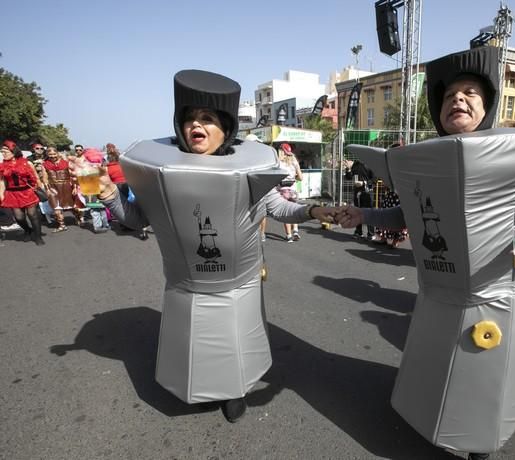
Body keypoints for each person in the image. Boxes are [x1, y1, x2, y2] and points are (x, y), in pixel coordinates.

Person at [337, 47, 515, 459]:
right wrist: (362, 214)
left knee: (484, 378)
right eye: (448, 96)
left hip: (497, 295)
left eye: (469, 94)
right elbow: (403, 216)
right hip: (438, 292)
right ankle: (421, 421)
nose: (457, 100)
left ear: (487, 107)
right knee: (435, 366)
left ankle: (480, 443)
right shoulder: (423, 160)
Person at [77, 69, 335, 423]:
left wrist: (314, 210)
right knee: (193, 344)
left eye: (207, 118)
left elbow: (278, 207)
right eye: (189, 119)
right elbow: (136, 219)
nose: (195, 125)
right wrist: (107, 193)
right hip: (188, 286)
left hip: (237, 284)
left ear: (225, 129)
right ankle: (197, 389)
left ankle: (234, 391)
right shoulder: (161, 171)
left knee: (235, 344)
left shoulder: (250, 169)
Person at [0, 140, 45, 245]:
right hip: (13, 194)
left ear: (13, 151)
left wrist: (39, 188)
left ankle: (38, 237)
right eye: (2, 152)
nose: (3, 154)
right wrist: (1, 194)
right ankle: (28, 230)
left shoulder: (27, 162)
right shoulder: (2, 166)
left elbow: (35, 177)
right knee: (19, 217)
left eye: (5, 151)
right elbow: (2, 182)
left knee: (32, 214)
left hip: (27, 191)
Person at [42, 146, 76, 232]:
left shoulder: (66, 162)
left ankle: (79, 217)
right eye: (50, 154)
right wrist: (46, 186)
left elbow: (73, 175)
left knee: (72, 207)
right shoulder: (44, 164)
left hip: (66, 186)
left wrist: (75, 187)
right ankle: (62, 225)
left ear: (57, 153)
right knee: (56, 208)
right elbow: (45, 177)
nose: (52, 156)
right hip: (53, 188)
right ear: (47, 154)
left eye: (54, 154)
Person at [276, 143, 303, 242]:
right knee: (294, 210)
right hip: (293, 189)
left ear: (281, 151)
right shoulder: (294, 161)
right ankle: (295, 230)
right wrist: (293, 177)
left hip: (283, 190)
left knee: (285, 213)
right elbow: (301, 177)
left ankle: (289, 236)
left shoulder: (278, 162)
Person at [343, 158, 375, 240]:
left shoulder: (371, 163)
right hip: (357, 193)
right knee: (357, 212)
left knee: (369, 212)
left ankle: (371, 234)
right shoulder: (355, 165)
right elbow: (349, 177)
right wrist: (348, 169)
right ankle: (358, 232)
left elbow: (374, 179)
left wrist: (364, 183)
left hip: (368, 192)